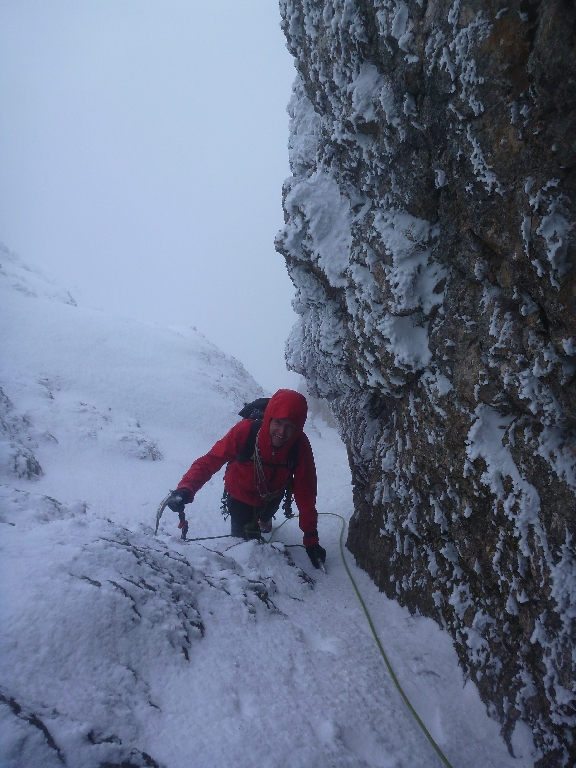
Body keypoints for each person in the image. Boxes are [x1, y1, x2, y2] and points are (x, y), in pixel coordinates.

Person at [165, 389, 327, 569]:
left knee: (263, 521)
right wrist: (186, 488)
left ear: (298, 427)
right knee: (243, 545)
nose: (282, 432)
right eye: (278, 422)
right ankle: (258, 527)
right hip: (240, 495)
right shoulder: (246, 432)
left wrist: (311, 539)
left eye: (290, 426)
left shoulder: (299, 446)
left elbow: (306, 491)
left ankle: (264, 521)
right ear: (269, 419)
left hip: (272, 496)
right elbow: (210, 460)